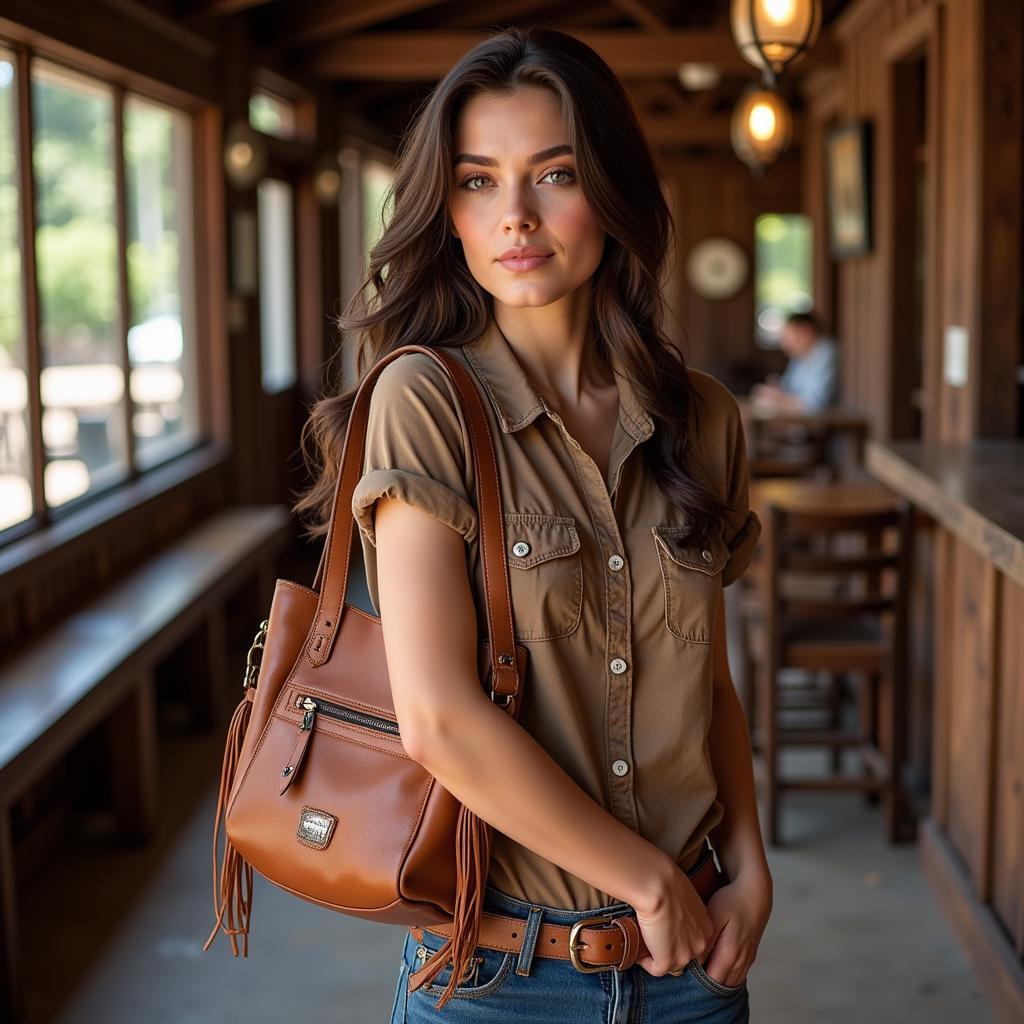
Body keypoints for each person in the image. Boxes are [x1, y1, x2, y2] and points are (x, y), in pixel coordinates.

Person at [295, 26, 771, 1024]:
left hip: (693, 963)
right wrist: (645, 880)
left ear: (611, 190)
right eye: (477, 181)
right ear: (447, 212)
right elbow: (439, 718)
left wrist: (751, 867)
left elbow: (710, 684)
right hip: (498, 978)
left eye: (552, 174)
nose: (514, 215)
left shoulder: (704, 418)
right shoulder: (425, 398)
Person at [752, 311, 839, 413]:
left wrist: (780, 399)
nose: (785, 344)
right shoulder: (800, 355)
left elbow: (815, 405)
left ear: (805, 331)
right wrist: (776, 388)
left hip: (823, 424)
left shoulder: (827, 353)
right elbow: (789, 386)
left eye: (788, 338)